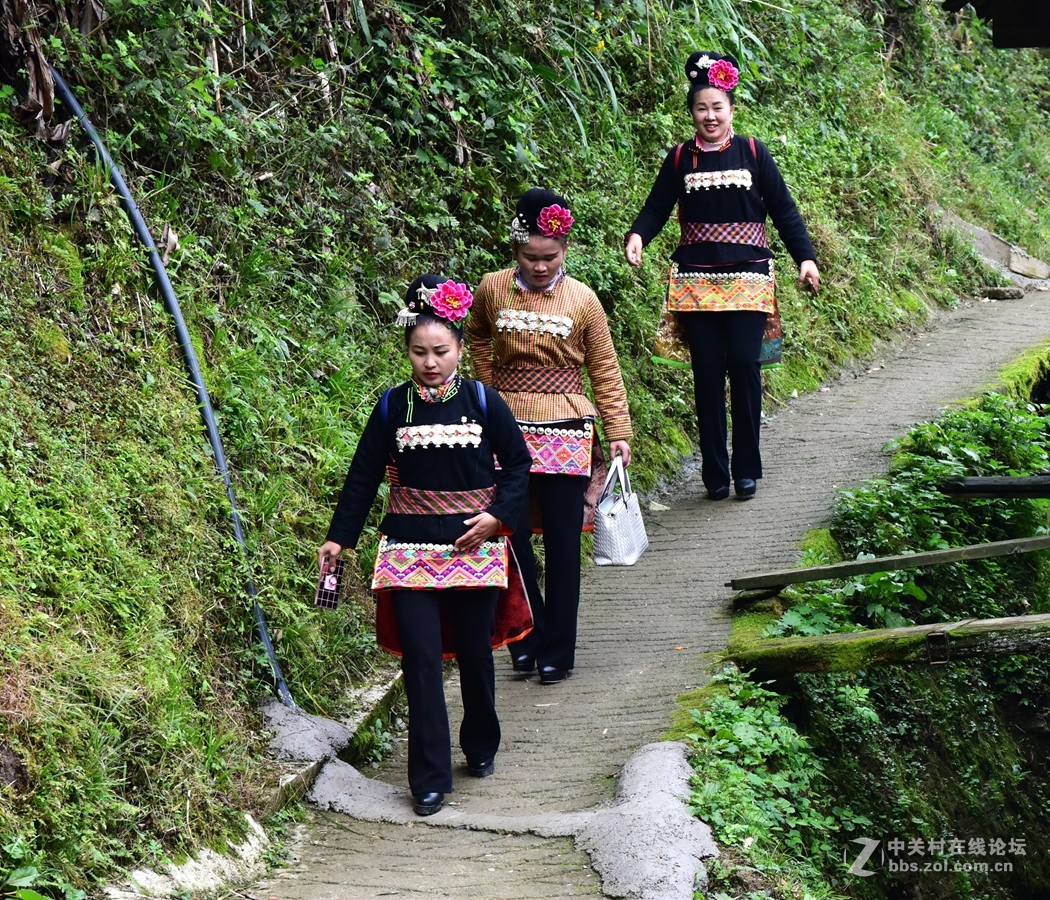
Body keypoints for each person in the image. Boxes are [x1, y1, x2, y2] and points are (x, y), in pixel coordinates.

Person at [317, 274, 533, 817]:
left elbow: (519, 468)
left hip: (474, 548)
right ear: (407, 350)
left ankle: (480, 741)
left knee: (476, 654)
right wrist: (339, 539)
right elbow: (364, 476)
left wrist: (496, 519)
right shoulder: (392, 408)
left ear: (460, 346)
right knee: (420, 661)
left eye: (440, 350)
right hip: (406, 549)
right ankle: (429, 779)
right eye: (419, 351)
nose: (429, 362)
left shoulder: (486, 403)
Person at [624, 51, 820, 501]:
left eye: (717, 107)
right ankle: (715, 472)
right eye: (701, 108)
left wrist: (804, 258)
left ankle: (746, 467)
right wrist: (639, 235)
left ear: (732, 108)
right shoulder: (679, 159)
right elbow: (656, 207)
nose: (709, 116)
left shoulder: (753, 152)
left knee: (746, 367)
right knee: (707, 371)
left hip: (750, 275)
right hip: (695, 280)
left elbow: (784, 210)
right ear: (692, 112)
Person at [467, 188, 633, 685]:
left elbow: (604, 368)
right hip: (505, 428)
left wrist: (618, 429)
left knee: (562, 544)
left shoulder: (583, 299)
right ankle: (526, 638)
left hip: (567, 426)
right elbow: (474, 334)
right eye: (530, 257)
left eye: (550, 257)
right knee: (509, 537)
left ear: (565, 249)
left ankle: (559, 649)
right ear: (514, 251)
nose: (540, 267)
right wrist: (487, 391)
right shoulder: (493, 289)